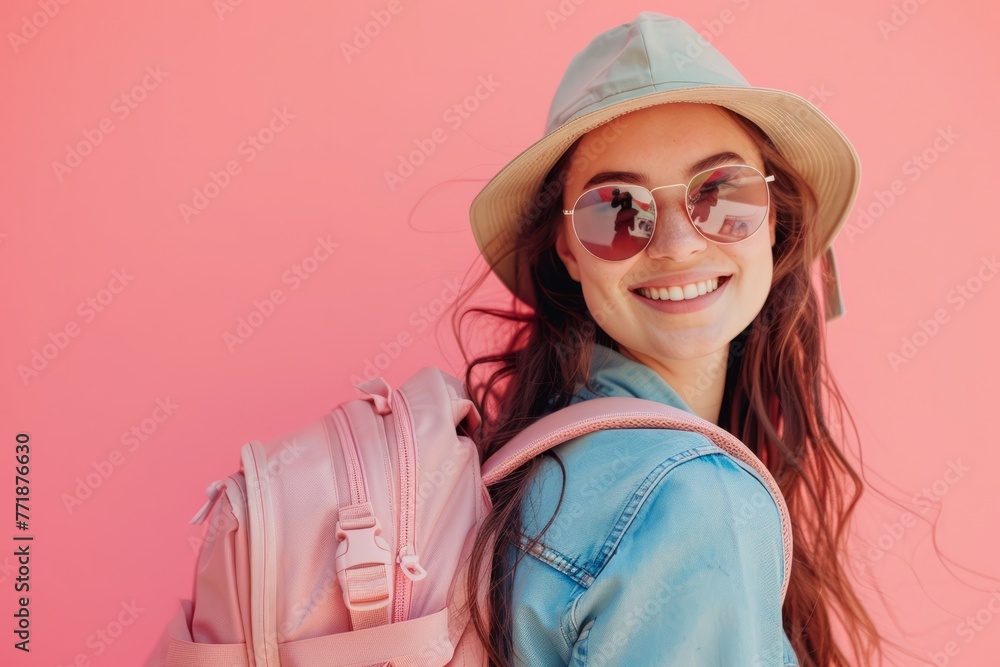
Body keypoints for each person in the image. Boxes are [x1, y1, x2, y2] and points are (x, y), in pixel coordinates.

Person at [455, 12, 892, 666]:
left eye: (722, 192)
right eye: (616, 210)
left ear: (774, 218)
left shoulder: (544, 462)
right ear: (568, 250)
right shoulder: (695, 501)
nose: (679, 243)